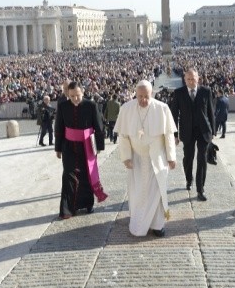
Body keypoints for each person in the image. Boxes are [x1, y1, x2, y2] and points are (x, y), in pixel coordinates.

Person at [114, 80, 177, 237]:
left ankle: (157, 225)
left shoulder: (162, 108)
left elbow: (169, 135)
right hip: (136, 158)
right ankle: (138, 222)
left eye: (146, 97)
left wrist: (171, 157)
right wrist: (126, 157)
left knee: (156, 193)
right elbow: (123, 136)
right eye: (140, 96)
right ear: (135, 94)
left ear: (152, 94)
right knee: (137, 193)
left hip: (157, 157)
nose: (143, 100)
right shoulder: (126, 109)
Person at [54, 81, 107, 219]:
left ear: (82, 92)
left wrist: (99, 146)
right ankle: (67, 209)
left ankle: (88, 204)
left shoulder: (91, 105)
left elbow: (99, 126)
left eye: (77, 95)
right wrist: (58, 148)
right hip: (68, 146)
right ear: (68, 94)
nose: (75, 98)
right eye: (72, 96)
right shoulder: (63, 106)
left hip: (87, 145)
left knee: (86, 175)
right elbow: (59, 128)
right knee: (68, 175)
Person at [169, 68, 215, 201]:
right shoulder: (179, 93)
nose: (191, 81)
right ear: (184, 79)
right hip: (187, 131)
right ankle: (189, 179)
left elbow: (210, 112)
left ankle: (201, 189)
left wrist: (213, 131)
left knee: (202, 159)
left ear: (198, 78)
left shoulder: (206, 91)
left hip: (203, 131)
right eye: (188, 79)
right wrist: (175, 134)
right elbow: (174, 114)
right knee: (188, 158)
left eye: (193, 79)